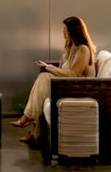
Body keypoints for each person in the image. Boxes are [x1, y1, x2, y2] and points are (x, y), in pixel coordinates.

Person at [13, 15, 97, 143]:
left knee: (44, 78)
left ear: (74, 31)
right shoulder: (74, 48)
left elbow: (73, 75)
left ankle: (29, 118)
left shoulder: (83, 50)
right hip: (70, 85)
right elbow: (67, 70)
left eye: (65, 30)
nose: (63, 33)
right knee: (42, 88)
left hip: (80, 88)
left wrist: (49, 68)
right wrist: (56, 62)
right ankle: (34, 130)